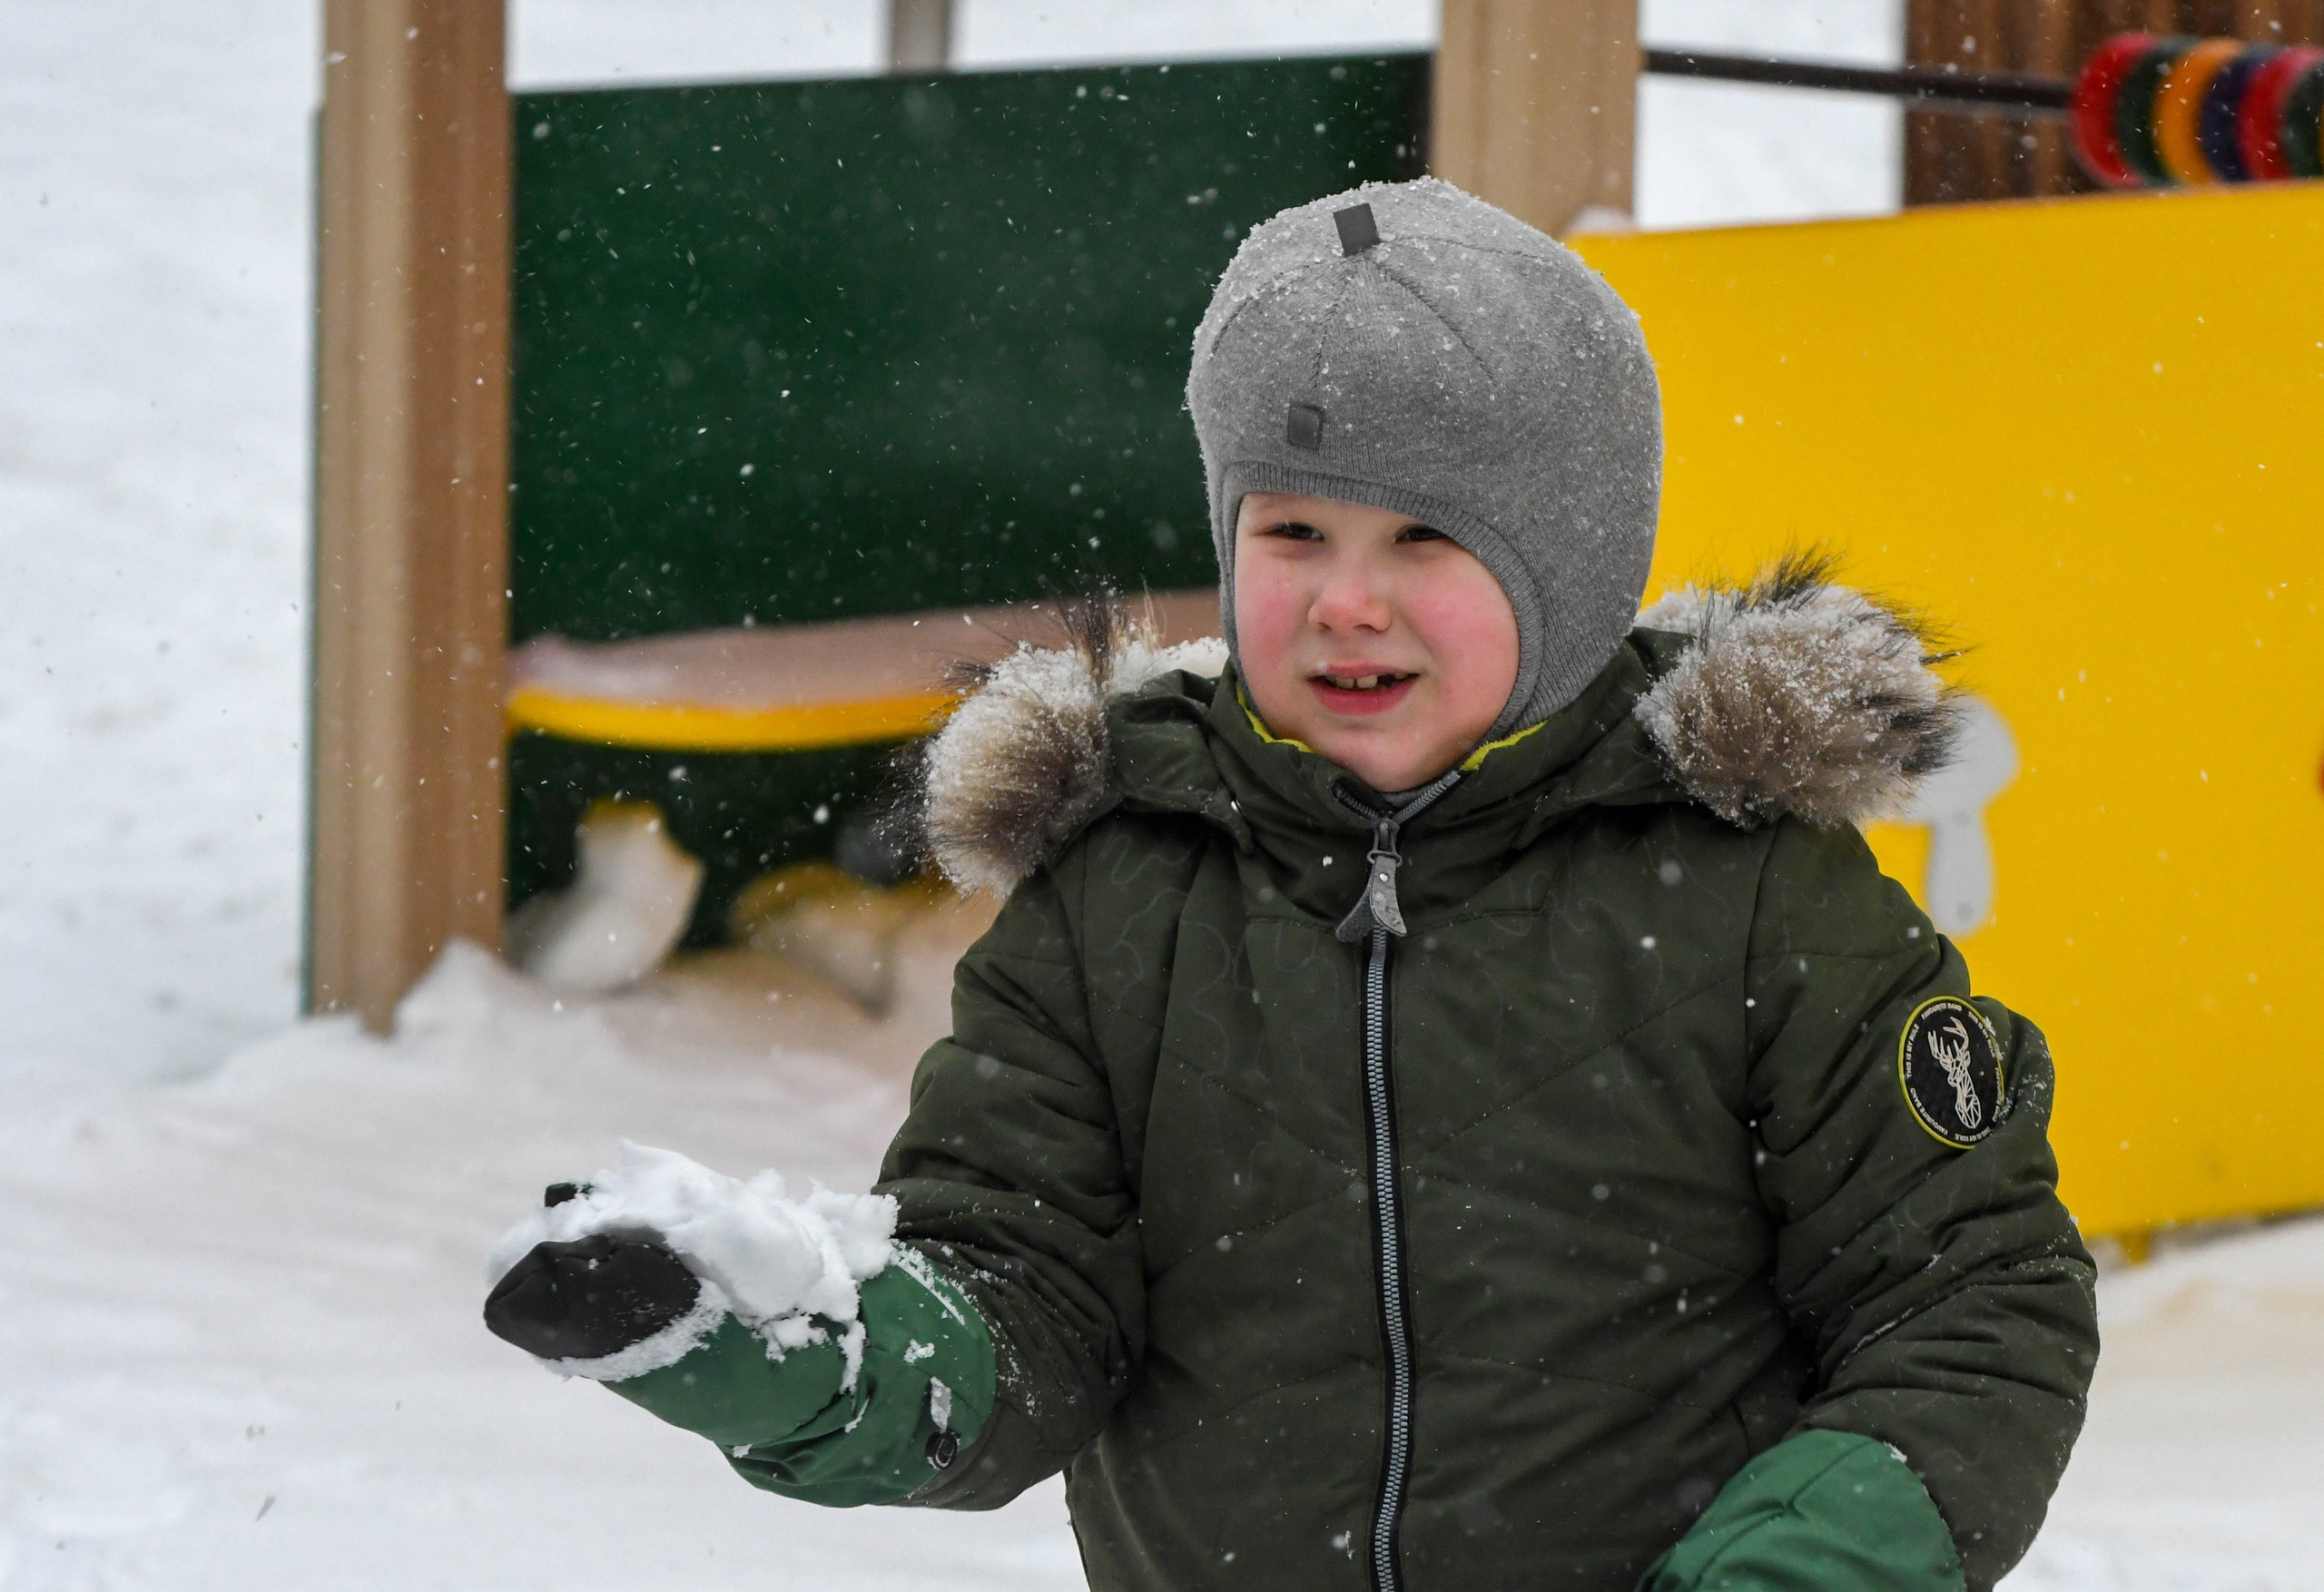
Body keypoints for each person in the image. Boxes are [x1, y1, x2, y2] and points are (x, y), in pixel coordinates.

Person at [483, 178, 2097, 1592]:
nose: (1346, 601)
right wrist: (796, 1350)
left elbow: (1971, 1299)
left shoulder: (1748, 884)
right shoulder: (1120, 889)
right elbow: (1020, 1293)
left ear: (1574, 560)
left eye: (1424, 539)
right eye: (1294, 532)